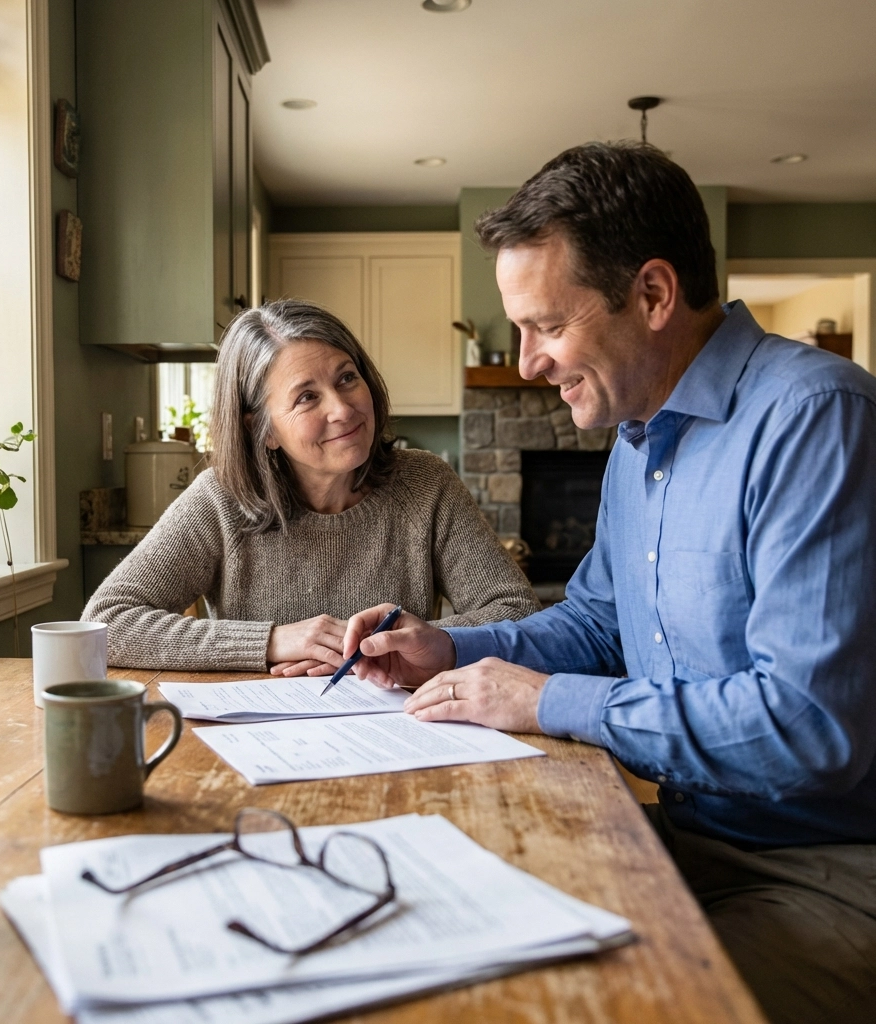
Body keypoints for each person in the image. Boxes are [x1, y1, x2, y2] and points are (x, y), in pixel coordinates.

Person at [344, 143, 876, 1024]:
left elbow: (808, 728)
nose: (526, 364)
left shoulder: (814, 418)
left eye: (548, 326)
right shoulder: (640, 441)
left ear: (655, 295)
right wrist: (450, 648)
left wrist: (552, 702)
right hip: (692, 840)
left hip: (828, 871)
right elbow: (597, 621)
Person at [83, 299, 538, 676]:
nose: (343, 409)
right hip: (257, 739)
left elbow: (517, 610)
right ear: (263, 430)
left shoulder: (426, 483)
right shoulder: (220, 500)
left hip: (396, 729)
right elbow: (106, 622)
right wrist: (272, 641)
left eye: (346, 378)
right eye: (306, 397)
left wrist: (403, 645)